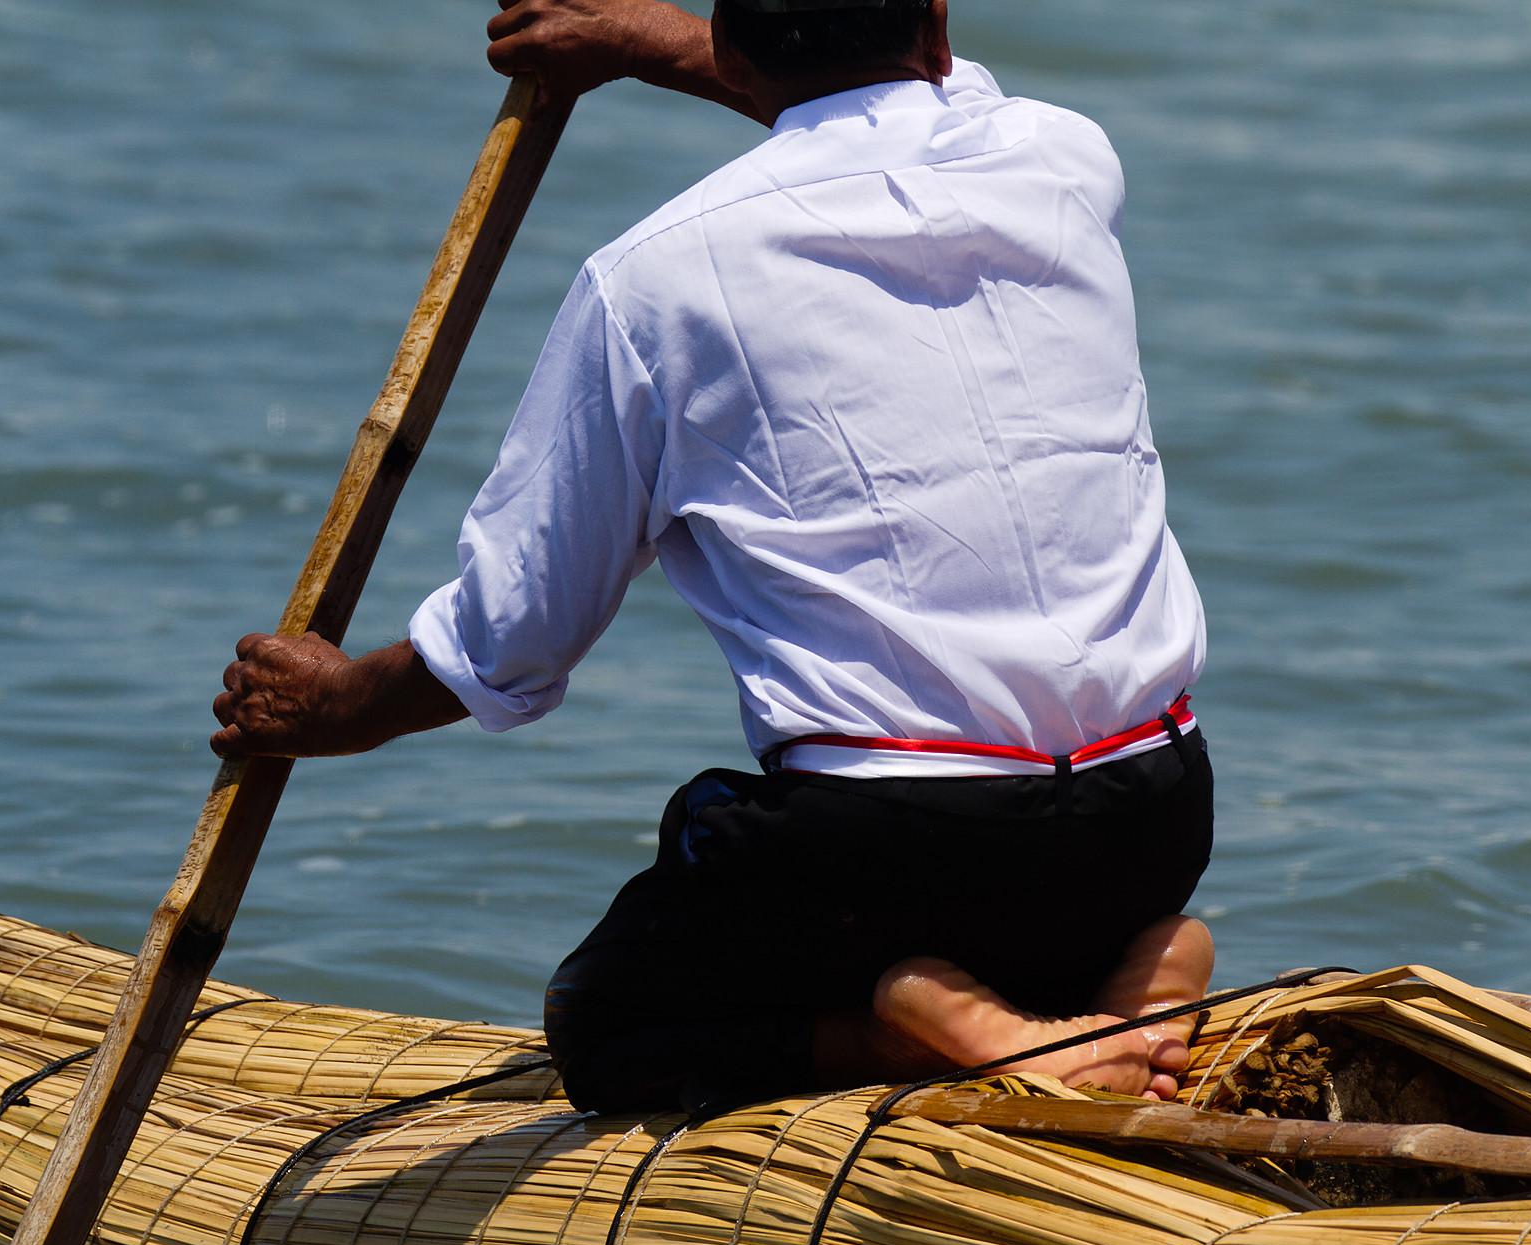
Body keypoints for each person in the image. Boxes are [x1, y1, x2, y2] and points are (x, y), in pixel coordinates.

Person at [211, 0, 1217, 1118]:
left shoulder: (651, 279)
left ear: (734, 52)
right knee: (1016, 900)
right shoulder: (1061, 153)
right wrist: (644, 40)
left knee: (611, 1026)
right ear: (935, 33)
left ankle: (939, 1024)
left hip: (894, 856)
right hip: (1152, 816)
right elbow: (892, 94)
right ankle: (1135, 981)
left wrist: (336, 705)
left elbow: (516, 635)